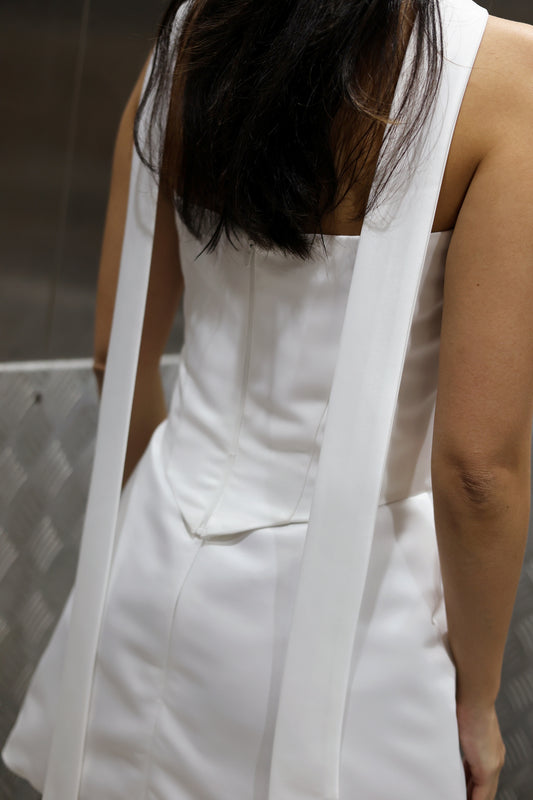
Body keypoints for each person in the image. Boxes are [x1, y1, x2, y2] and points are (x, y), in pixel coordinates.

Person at [2, 0, 533, 799]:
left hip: (146, 575)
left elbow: (116, 355)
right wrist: (480, 700)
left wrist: (169, 504)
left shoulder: (187, 44)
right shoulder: (504, 80)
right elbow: (477, 473)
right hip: (359, 632)